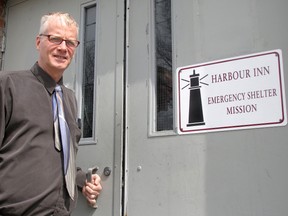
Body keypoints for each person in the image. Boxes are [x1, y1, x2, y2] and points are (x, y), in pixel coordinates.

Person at [0, 12, 102, 215]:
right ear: (39, 42)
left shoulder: (70, 99)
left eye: (70, 42)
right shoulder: (7, 85)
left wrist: (83, 181)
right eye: (55, 39)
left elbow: (62, 155)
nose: (63, 48)